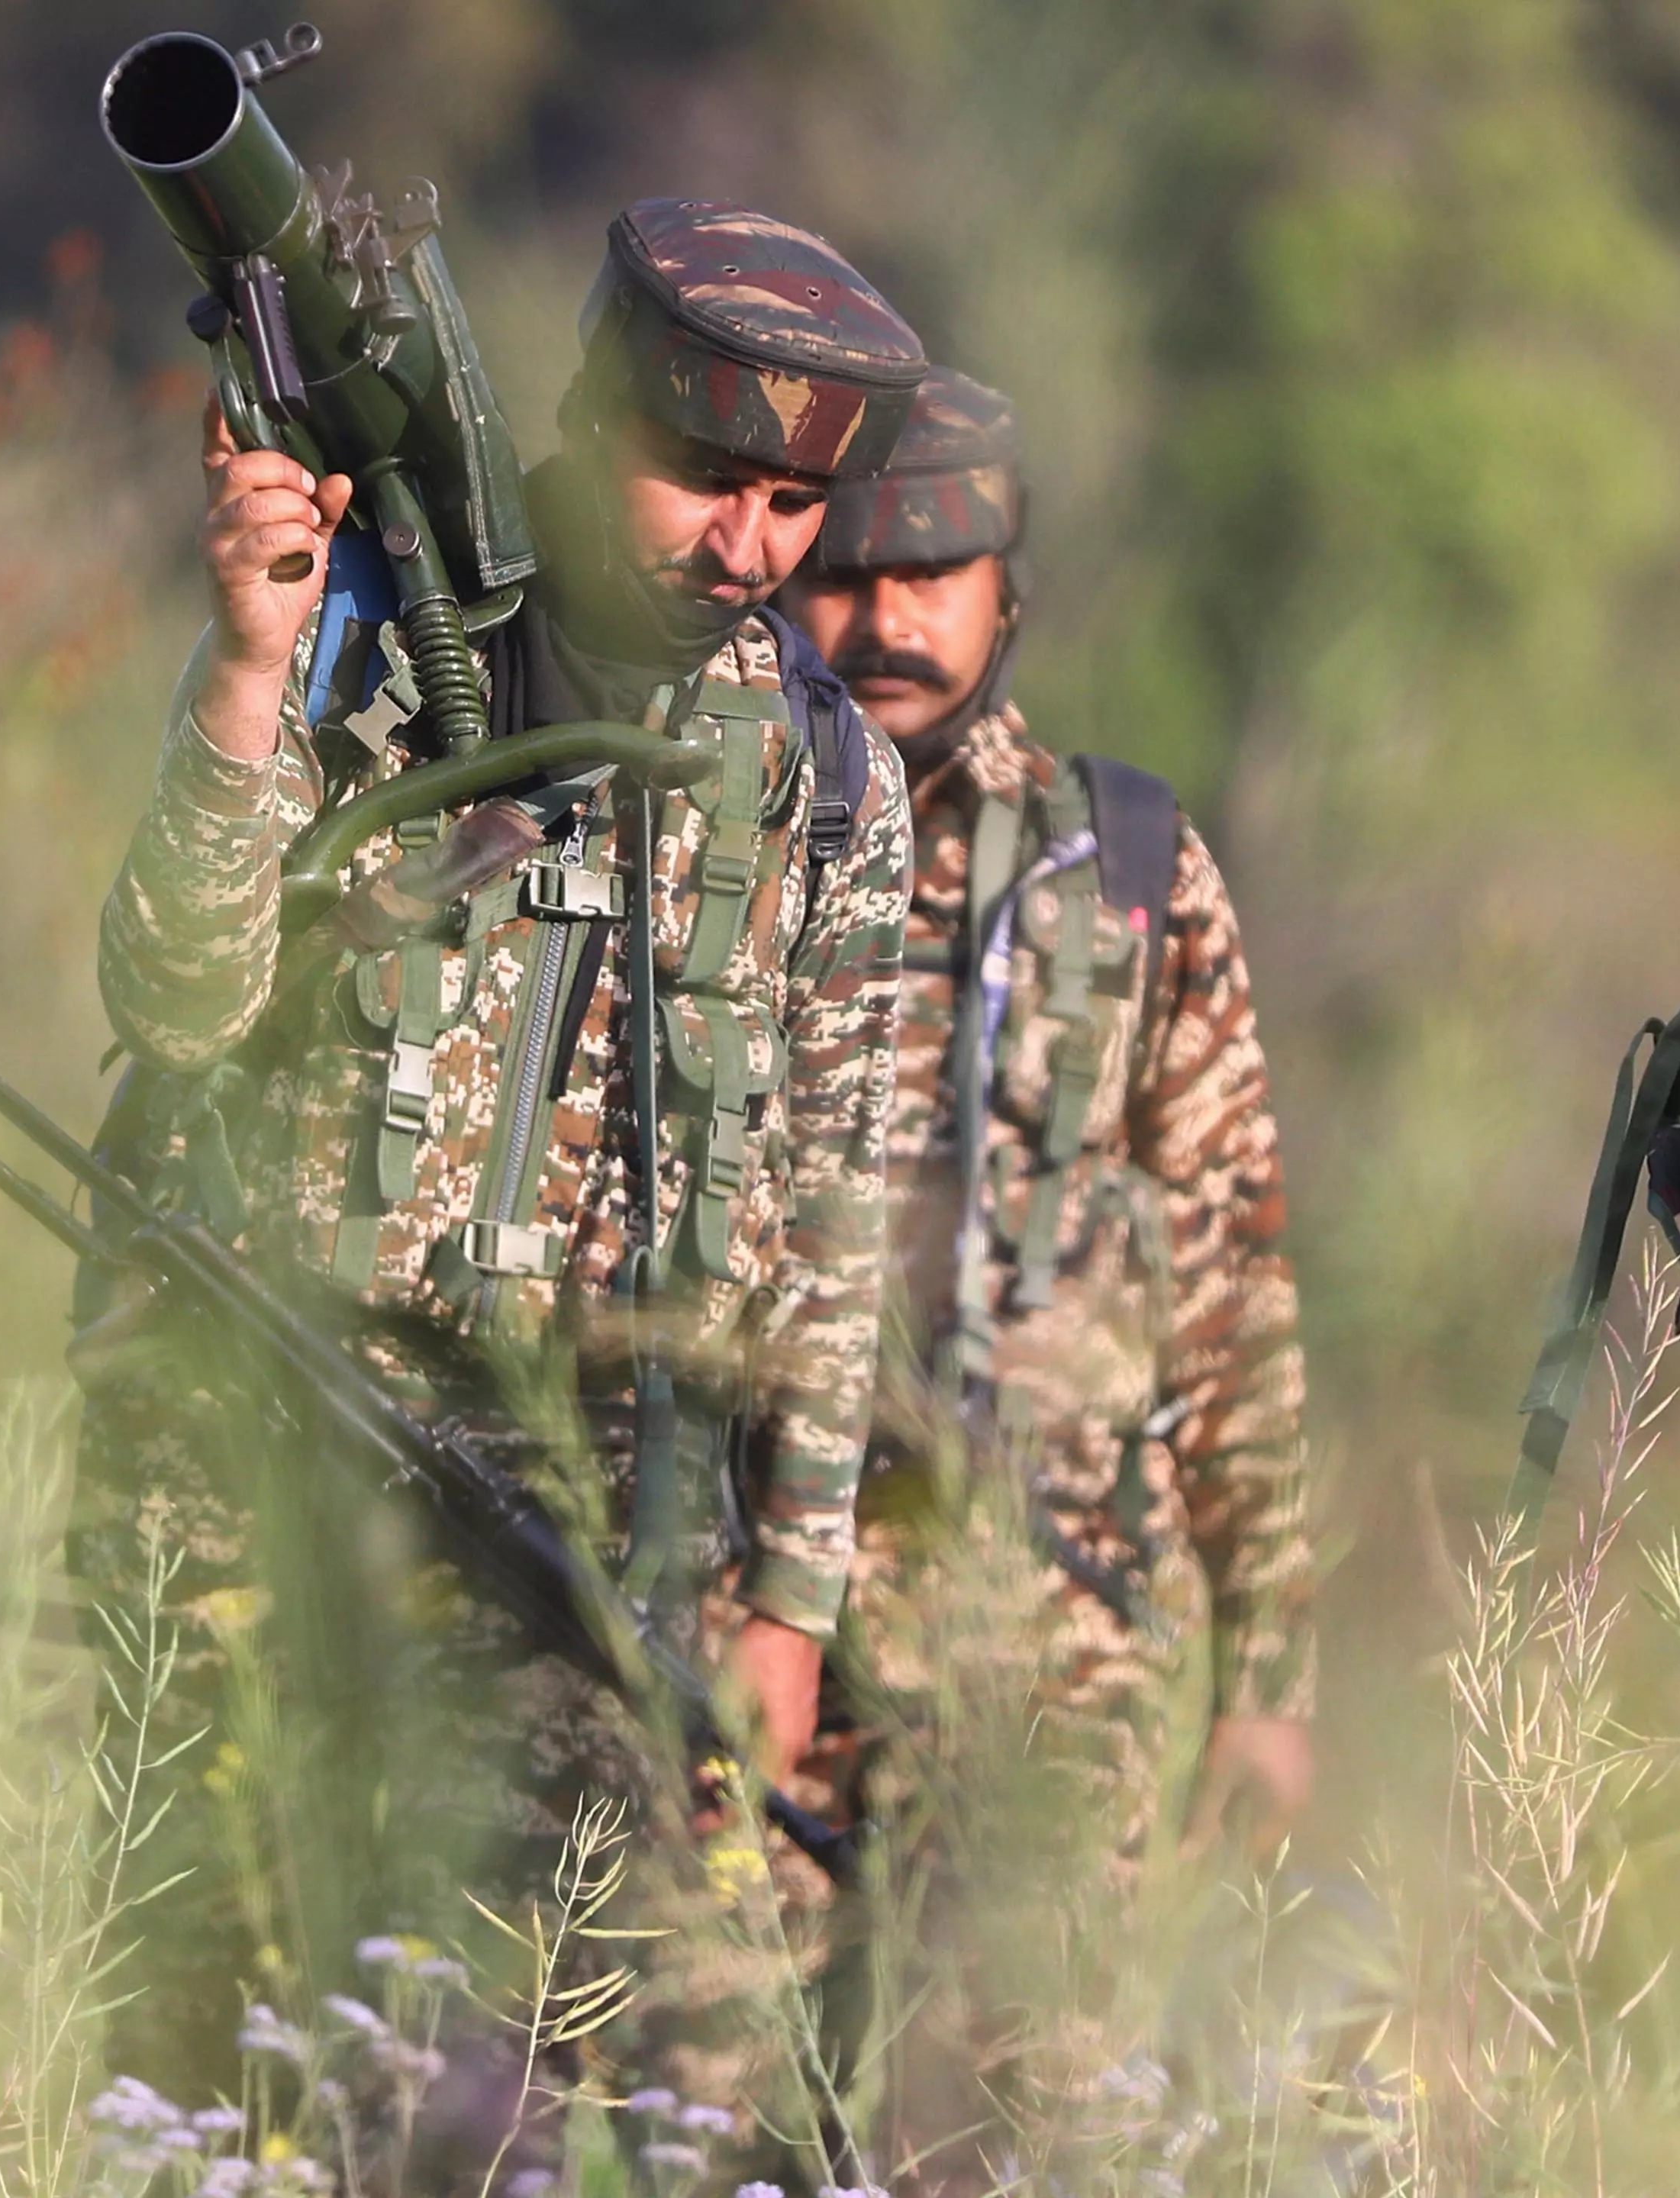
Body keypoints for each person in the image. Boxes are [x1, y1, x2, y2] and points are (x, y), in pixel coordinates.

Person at [76, 198, 924, 2164]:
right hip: (251, 1449)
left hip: (573, 1501)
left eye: (795, 508)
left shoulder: (819, 775)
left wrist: (788, 1600)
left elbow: (830, 1210)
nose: (746, 544)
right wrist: (244, 662)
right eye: (706, 476)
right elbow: (171, 997)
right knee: (199, 2045)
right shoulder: (368, 620)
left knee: (516, 2063)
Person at [775, 364, 1317, 1871]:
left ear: (1005, 590)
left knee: (1032, 2102)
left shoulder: (1127, 866)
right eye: (844, 575)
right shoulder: (710, 849)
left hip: (1058, 1651)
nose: (885, 620)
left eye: (930, 574)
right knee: (713, 2094)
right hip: (747, 1631)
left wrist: (1269, 1676)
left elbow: (1229, 1278)